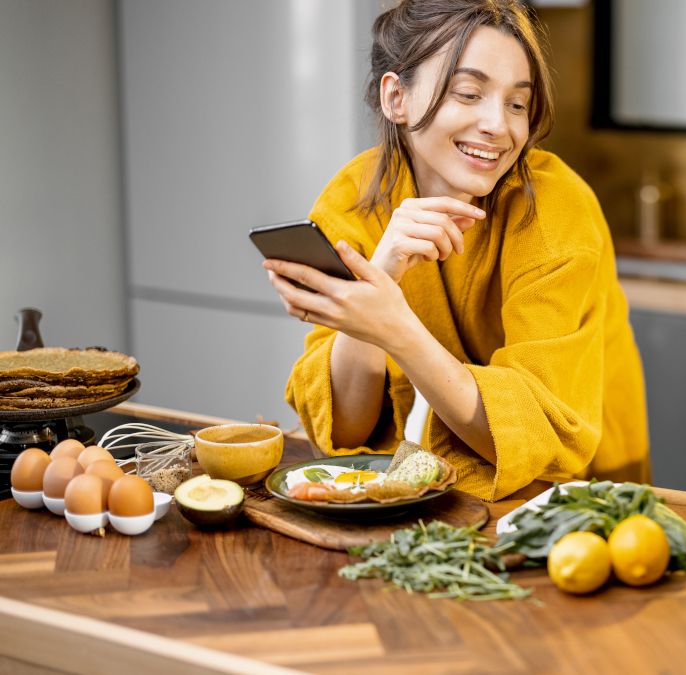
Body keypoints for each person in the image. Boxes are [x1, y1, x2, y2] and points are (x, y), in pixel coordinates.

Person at [263, 0, 649, 501]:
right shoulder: (354, 198)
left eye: (517, 104)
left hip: (574, 492)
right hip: (430, 495)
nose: (498, 125)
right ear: (396, 96)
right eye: (469, 93)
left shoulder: (555, 210)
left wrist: (395, 329)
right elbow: (345, 431)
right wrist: (374, 286)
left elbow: (534, 437)